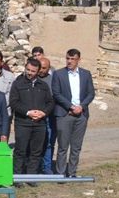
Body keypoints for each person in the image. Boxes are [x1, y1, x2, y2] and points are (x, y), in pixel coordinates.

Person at [51, 49, 95, 178]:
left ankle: (72, 173)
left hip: (81, 115)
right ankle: (60, 173)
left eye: (72, 59)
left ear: (78, 60)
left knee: (76, 147)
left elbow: (91, 93)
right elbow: (56, 93)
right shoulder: (59, 74)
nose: (69, 61)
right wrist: (70, 106)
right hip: (65, 114)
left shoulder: (86, 74)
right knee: (63, 146)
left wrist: (82, 106)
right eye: (67, 58)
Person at [9, 58, 54, 182]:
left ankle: (31, 177)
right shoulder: (18, 83)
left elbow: (50, 102)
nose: (29, 73)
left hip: (39, 124)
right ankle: (17, 177)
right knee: (20, 151)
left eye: (33, 71)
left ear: (38, 71)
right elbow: (13, 102)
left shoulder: (43, 86)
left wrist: (43, 113)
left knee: (36, 152)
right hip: (23, 123)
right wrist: (28, 112)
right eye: (28, 69)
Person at [37, 57, 56, 174]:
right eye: (40, 67)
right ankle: (33, 168)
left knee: (48, 143)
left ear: (49, 69)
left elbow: (55, 98)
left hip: (48, 115)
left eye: (44, 68)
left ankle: (47, 167)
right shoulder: (31, 79)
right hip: (33, 116)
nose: (41, 70)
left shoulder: (53, 80)